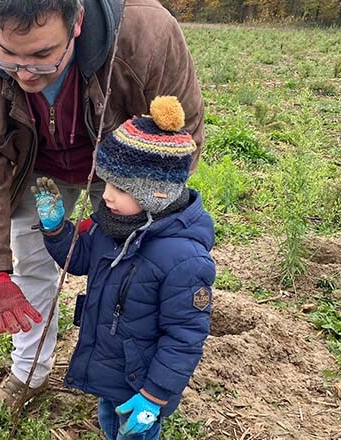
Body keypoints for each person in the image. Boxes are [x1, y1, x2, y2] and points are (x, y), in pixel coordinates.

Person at [0, 0, 205, 407]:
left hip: (129, 170)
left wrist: (115, 223)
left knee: (131, 274)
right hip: (34, 167)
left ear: (77, 21)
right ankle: (28, 372)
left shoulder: (147, 36)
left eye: (43, 56)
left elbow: (181, 137)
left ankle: (137, 381)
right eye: (7, 54)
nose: (25, 72)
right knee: (30, 263)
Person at [32, 96, 214, 439]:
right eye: (106, 184)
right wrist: (57, 230)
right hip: (112, 371)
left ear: (156, 194)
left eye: (119, 188)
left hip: (142, 384)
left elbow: (185, 337)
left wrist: (154, 396)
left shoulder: (185, 261)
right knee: (109, 423)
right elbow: (82, 260)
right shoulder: (112, 225)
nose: (107, 196)